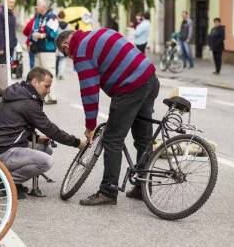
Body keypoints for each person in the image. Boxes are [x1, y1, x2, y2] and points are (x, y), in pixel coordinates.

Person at [56, 29, 160, 206]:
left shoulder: (81, 52)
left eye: (66, 55)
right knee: (143, 138)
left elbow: (89, 93)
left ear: (66, 46)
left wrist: (90, 127)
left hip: (130, 88)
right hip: (149, 78)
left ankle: (108, 192)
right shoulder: (100, 33)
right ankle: (143, 187)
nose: (70, 59)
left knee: (112, 139)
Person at [0, 66, 86, 199]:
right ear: (34, 82)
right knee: (46, 161)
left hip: (2, 146)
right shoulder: (28, 102)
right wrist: (77, 143)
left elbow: (14, 125)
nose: (49, 90)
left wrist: (38, 138)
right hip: (4, 151)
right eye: (46, 86)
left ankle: (11, 180)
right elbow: (50, 129)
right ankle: (7, 182)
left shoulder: (19, 93)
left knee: (47, 149)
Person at [30, 0, 59, 105]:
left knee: (49, 73)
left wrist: (41, 35)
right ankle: (40, 95)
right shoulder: (38, 17)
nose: (36, 7)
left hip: (48, 50)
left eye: (37, 4)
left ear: (44, 6)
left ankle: (52, 96)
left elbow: (53, 34)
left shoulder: (51, 17)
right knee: (38, 74)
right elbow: (34, 30)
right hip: (38, 48)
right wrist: (31, 40)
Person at [0, 0, 17, 64]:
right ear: (5, 2)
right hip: (3, 48)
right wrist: (0, 48)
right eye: (10, 2)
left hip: (11, 47)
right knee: (1, 69)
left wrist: (15, 42)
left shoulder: (11, 14)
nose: (12, 5)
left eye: (13, 3)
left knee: (9, 68)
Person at [55, 10, 70, 80]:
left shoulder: (56, 24)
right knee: (63, 59)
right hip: (64, 43)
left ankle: (56, 73)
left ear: (58, 16)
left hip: (56, 43)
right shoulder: (68, 25)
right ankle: (61, 73)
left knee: (55, 59)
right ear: (64, 16)